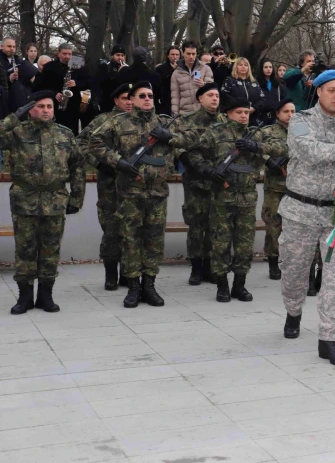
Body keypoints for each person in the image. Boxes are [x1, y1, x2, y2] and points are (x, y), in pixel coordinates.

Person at [89, 81, 196, 308]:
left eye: (150, 95)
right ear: (133, 99)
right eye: (142, 96)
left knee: (154, 241)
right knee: (130, 240)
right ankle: (133, 286)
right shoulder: (118, 122)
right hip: (129, 192)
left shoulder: (165, 122)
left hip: (157, 193)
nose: (147, 99)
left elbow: (194, 138)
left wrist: (169, 137)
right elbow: (94, 142)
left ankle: (150, 284)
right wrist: (118, 163)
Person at [279, 69, 335, 367]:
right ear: (319, 91)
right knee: (294, 272)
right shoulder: (299, 121)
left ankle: (329, 338)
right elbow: (309, 152)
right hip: (300, 211)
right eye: (332, 90)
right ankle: (293, 311)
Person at [188, 98, 286, 302]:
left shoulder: (256, 134)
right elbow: (194, 153)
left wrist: (256, 146)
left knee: (244, 244)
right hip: (222, 198)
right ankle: (222, 285)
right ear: (228, 113)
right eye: (239, 112)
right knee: (221, 242)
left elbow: (281, 147)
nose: (243, 116)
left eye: (246, 112)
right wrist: (208, 170)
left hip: (248, 198)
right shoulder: (215, 133)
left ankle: (239, 285)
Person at [3, 91, 85, 315]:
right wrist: (13, 117)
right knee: (25, 250)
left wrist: (77, 197)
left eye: (49, 106)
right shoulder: (16, 133)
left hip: (55, 200)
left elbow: (78, 166)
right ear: (31, 109)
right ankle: (25, 296)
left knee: (50, 250)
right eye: (41, 106)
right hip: (25, 199)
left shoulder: (65, 135)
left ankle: (46, 295)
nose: (46, 110)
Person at [76, 83, 133, 290]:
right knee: (111, 228)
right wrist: (99, 164)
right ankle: (111, 274)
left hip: (134, 186)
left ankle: (129, 273)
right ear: (116, 100)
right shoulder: (104, 120)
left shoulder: (141, 121)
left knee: (132, 229)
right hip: (110, 185)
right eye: (125, 98)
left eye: (131, 97)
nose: (129, 101)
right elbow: (81, 143)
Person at [171, 82, 227, 285]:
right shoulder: (187, 121)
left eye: (217, 95)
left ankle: (210, 267)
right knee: (196, 225)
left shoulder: (224, 121)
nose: (214, 99)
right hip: (195, 180)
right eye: (210, 95)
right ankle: (196, 268)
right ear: (200, 99)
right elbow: (176, 145)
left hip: (218, 181)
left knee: (215, 226)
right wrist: (189, 161)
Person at [261, 98, 293, 280]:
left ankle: (290, 261)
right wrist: (269, 161)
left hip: (297, 188)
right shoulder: (268, 131)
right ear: (277, 114)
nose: (290, 115)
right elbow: (256, 149)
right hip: (275, 187)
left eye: (293, 111)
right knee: (274, 225)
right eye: (286, 111)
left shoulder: (301, 132)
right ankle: (273, 261)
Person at [33, 43, 93, 135]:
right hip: (55, 104)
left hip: (73, 105)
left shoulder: (78, 65)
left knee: (72, 132)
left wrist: (76, 83)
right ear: (59, 54)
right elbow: (40, 85)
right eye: (64, 54)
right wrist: (54, 93)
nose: (67, 56)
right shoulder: (50, 66)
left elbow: (89, 82)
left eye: (69, 54)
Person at [170, 40, 213, 116]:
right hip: (185, 113)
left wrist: (204, 85)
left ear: (196, 54)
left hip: (203, 111)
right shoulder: (176, 73)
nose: (191, 56)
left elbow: (212, 89)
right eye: (188, 53)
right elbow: (175, 96)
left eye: (193, 54)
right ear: (183, 53)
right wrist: (175, 114)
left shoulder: (205, 68)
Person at [220, 57, 268, 125]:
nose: (243, 67)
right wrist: (241, 108)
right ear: (236, 67)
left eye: (246, 65)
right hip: (235, 118)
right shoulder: (229, 80)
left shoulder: (254, 82)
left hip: (253, 118)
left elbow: (262, 99)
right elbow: (224, 97)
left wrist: (253, 108)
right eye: (240, 65)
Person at [117, 47, 163, 114]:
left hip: (128, 108)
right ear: (145, 57)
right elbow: (158, 94)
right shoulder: (154, 75)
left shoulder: (124, 72)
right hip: (148, 108)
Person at [1, 37, 36, 116]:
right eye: (9, 46)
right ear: (2, 46)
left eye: (14, 47)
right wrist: (9, 78)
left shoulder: (17, 59)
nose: (12, 49)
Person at [98, 44, 127, 112]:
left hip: (123, 102)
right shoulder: (106, 67)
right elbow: (103, 83)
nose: (120, 58)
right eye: (117, 55)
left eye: (122, 55)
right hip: (108, 102)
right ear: (112, 56)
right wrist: (117, 74)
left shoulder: (127, 68)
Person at [256, 58, 286, 125]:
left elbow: (282, 98)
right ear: (262, 69)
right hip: (260, 117)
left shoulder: (277, 84)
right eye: (266, 67)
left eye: (270, 67)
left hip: (274, 117)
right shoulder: (256, 83)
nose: (268, 69)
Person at [155, 46, 180, 116]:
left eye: (177, 55)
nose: (175, 57)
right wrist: (172, 70)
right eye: (172, 54)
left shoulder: (183, 68)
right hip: (166, 100)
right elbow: (160, 82)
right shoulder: (160, 68)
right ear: (168, 56)